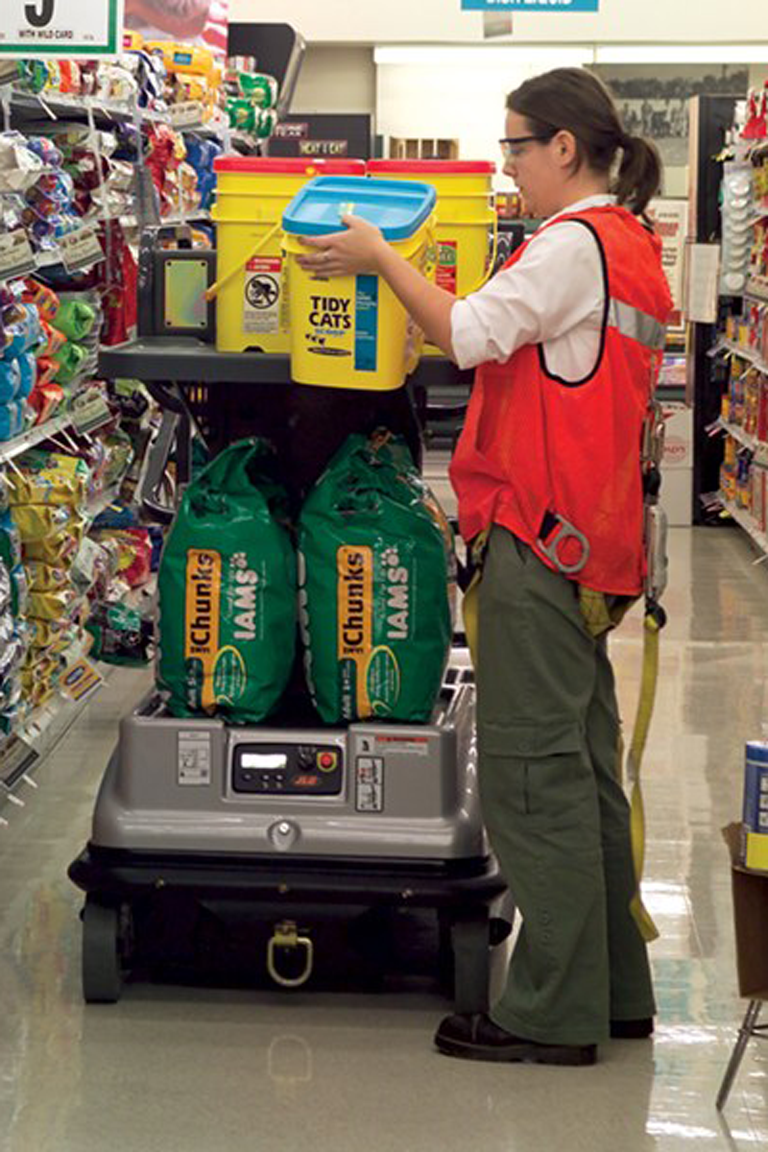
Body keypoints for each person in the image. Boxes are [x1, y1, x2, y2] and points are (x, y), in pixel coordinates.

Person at [297, 68, 672, 1067]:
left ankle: (548, 1013)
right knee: (583, 769)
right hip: (590, 541)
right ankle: (610, 992)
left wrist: (379, 255)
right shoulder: (627, 243)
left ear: (563, 147)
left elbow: (461, 335)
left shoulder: (571, 247)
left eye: (515, 145)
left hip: (539, 544)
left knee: (533, 776)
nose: (508, 164)